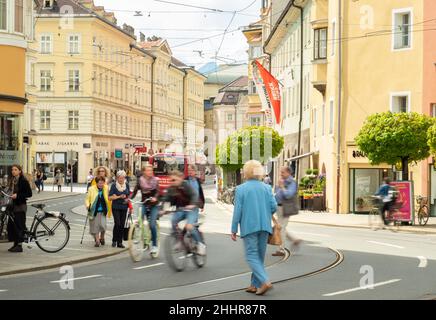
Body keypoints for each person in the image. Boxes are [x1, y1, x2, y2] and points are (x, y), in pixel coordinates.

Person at [231, 160, 277, 295]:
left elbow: (237, 211)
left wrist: (234, 229)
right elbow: (273, 207)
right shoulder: (267, 188)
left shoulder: (241, 189)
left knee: (251, 255)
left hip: (249, 226)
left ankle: (265, 281)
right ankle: (254, 285)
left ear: (246, 173)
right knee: (260, 257)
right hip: (265, 226)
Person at [163, 170, 206, 256]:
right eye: (171, 180)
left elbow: (194, 194)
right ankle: (179, 241)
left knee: (189, 226)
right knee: (173, 221)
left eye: (174, 180)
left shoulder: (186, 185)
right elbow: (166, 199)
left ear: (180, 179)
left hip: (192, 209)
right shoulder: (171, 188)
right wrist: (163, 209)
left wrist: (192, 205)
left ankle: (201, 245)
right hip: (181, 209)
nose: (172, 182)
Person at [130, 165, 160, 255]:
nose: (150, 172)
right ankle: (138, 237)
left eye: (151, 170)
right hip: (144, 203)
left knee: (152, 225)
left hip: (154, 205)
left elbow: (158, 192)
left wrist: (155, 198)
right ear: (144, 172)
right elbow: (135, 191)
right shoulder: (140, 181)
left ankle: (154, 245)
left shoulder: (155, 180)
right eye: (148, 170)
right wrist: (129, 198)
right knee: (139, 219)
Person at [273, 166, 301, 257]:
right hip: (279, 207)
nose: (281, 174)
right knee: (280, 227)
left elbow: (288, 195)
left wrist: (282, 187)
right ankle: (294, 240)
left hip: (286, 208)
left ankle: (281, 250)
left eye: (283, 172)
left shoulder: (292, 182)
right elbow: (277, 194)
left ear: (289, 173)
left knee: (281, 228)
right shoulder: (282, 181)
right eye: (280, 172)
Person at [7, 165, 32, 253]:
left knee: (19, 226)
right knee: (12, 226)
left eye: (15, 170)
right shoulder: (12, 180)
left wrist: (17, 195)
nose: (13, 171)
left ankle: (19, 246)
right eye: (12, 170)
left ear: (20, 171)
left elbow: (29, 193)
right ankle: (15, 243)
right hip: (12, 206)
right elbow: (9, 190)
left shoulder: (23, 181)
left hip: (20, 206)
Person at [85, 176, 112, 247]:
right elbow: (87, 199)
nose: (101, 184)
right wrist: (88, 205)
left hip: (103, 210)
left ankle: (102, 237)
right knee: (96, 226)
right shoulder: (91, 189)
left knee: (103, 226)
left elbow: (109, 196)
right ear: (96, 183)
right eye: (99, 183)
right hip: (95, 210)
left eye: (102, 183)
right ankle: (97, 241)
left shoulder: (106, 188)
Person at [109, 170, 131, 248]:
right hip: (116, 207)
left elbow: (129, 195)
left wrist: (127, 199)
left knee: (122, 224)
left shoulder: (127, 185)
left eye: (122, 178)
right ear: (117, 178)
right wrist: (118, 197)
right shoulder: (114, 185)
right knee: (117, 224)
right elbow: (109, 197)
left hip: (124, 207)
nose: (121, 179)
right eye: (119, 178)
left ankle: (120, 242)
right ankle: (114, 240)